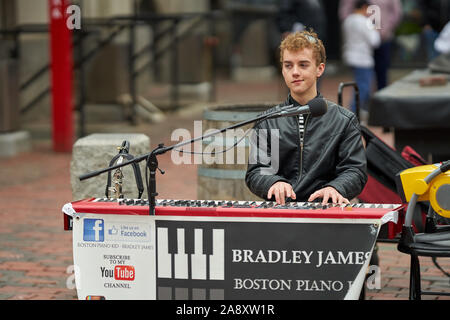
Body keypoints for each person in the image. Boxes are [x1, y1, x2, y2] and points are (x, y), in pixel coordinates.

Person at [245, 30, 368, 205]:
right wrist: (273, 182)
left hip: (327, 212)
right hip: (281, 213)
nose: (295, 72)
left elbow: (355, 171)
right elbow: (256, 171)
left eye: (303, 65)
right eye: (288, 65)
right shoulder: (267, 121)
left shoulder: (344, 120)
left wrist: (336, 188)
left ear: (320, 69)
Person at [339, 0, 402, 90]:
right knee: (362, 80)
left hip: (383, 38)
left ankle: (380, 99)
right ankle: (362, 101)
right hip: (360, 44)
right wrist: (356, 28)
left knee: (381, 73)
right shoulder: (361, 21)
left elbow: (396, 13)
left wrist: (385, 30)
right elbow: (345, 12)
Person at [342, 0, 381, 116]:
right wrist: (375, 29)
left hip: (351, 56)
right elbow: (375, 41)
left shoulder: (348, 20)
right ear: (364, 7)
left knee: (360, 85)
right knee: (363, 88)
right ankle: (353, 112)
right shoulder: (365, 22)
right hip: (363, 59)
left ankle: (361, 110)